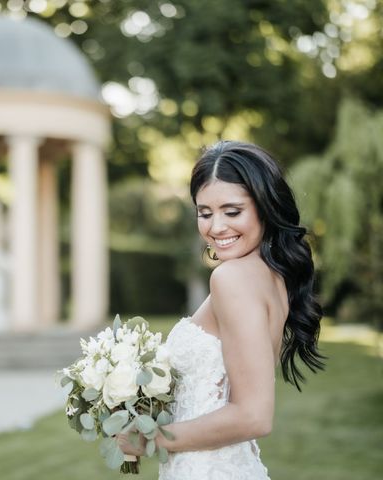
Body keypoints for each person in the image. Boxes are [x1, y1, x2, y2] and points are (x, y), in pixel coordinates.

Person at [119, 141, 325, 479]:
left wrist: (148, 439)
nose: (216, 228)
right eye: (205, 213)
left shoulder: (231, 278)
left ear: (264, 207)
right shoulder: (271, 277)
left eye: (232, 211)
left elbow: (253, 416)